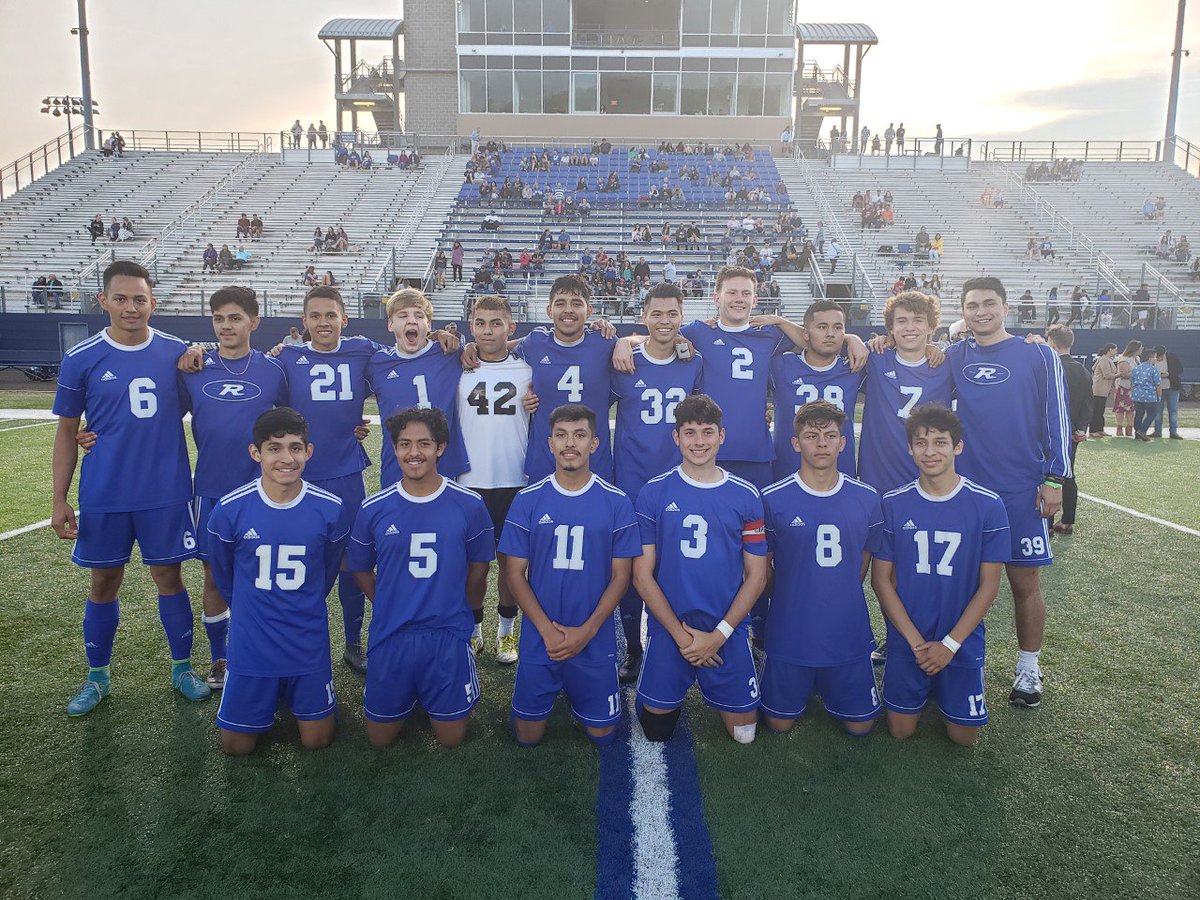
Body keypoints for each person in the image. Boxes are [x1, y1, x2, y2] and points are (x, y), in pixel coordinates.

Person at [51, 260, 210, 716]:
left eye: (139, 299)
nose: (130, 307)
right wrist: (59, 498)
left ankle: (182, 668)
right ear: (103, 301)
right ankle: (97, 676)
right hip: (106, 491)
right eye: (120, 298)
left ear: (152, 303)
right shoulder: (81, 358)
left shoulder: (178, 352)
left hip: (165, 489)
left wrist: (197, 349)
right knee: (104, 580)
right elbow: (66, 433)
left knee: (169, 578)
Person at [944, 277, 1072, 708]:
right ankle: (950, 655)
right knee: (953, 580)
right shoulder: (952, 356)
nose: (981, 312)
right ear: (962, 312)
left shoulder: (1038, 353)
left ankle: (1029, 668)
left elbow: (1058, 417)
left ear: (1005, 307)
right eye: (972, 306)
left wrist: (1056, 479)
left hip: (1021, 489)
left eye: (989, 304)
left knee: (1023, 582)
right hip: (963, 491)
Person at [348, 407, 494, 748]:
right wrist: (386, 601)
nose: (414, 453)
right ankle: (410, 693)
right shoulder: (375, 508)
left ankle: (428, 691)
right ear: (394, 449)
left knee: (451, 739)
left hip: (446, 634)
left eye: (424, 444)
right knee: (379, 739)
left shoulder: (468, 504)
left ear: (440, 448)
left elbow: (479, 569)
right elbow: (359, 568)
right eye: (404, 444)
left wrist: (463, 613)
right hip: (392, 633)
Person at [499, 405, 641, 747]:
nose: (570, 443)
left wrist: (586, 631)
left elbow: (621, 577)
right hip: (540, 637)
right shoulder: (528, 500)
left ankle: (581, 692)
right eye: (561, 435)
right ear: (550, 444)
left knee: (603, 735)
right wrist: (547, 630)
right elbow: (514, 573)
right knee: (527, 737)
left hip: (593, 638)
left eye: (579, 435)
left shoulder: (616, 502)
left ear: (594, 443)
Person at [207, 408, 346, 754]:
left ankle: (291, 694)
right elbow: (224, 577)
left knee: (318, 740)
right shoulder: (230, 509)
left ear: (308, 451)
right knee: (236, 747)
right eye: (274, 448)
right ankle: (267, 694)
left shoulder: (330, 508)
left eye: (295, 447)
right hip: (252, 643)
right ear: (256, 453)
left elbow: (327, 572)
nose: (287, 458)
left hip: (306, 641)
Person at [633, 395, 769, 743]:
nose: (699, 442)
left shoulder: (745, 494)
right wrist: (683, 638)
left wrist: (718, 636)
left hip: (726, 626)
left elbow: (757, 576)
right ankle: (663, 682)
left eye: (707, 432)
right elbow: (642, 575)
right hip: (671, 627)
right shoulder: (653, 493)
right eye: (690, 433)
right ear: (676, 437)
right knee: (655, 732)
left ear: (722, 436)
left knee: (745, 734)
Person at [872, 404, 1009, 746]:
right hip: (909, 638)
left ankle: (947, 681)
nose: (930, 451)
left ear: (957, 446)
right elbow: (881, 581)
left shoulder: (987, 505)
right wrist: (916, 644)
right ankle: (923, 679)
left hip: (960, 639)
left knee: (964, 738)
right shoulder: (894, 503)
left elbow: (989, 585)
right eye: (921, 442)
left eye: (940, 442)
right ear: (910, 448)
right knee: (900, 731)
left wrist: (949, 645)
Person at [275, 287, 386, 673]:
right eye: (316, 316)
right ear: (303, 322)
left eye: (331, 315)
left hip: (345, 472)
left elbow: (407, 353)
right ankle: (298, 637)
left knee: (351, 560)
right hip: (299, 476)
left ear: (344, 319)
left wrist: (443, 336)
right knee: (300, 559)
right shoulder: (286, 356)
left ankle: (353, 641)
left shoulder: (363, 350)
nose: (324, 323)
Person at [760, 400, 884, 736]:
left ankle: (828, 679)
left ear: (843, 443)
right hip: (791, 630)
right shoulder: (772, 498)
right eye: (812, 436)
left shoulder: (868, 498)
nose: (822, 443)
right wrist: (791, 591)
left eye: (830, 436)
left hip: (846, 630)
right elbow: (764, 570)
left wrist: (834, 588)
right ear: (795, 443)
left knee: (861, 727)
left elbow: (862, 565)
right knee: (778, 723)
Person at [610, 283, 704, 681]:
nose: (664, 322)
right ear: (643, 316)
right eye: (657, 314)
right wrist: (619, 341)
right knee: (632, 572)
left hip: (678, 483)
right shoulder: (622, 361)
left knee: (677, 567)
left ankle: (676, 639)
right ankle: (633, 646)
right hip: (631, 482)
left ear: (681, 319)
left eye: (672, 315)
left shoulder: (694, 362)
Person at [456, 296, 534, 665]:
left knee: (511, 565)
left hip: (515, 480)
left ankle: (506, 634)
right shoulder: (457, 365)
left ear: (510, 327)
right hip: (469, 482)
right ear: (471, 326)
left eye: (496, 323)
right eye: (481, 323)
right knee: (475, 567)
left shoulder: (527, 369)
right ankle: (474, 632)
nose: (488, 330)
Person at [367, 289, 466, 495]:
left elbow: (494, 351)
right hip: (396, 466)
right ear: (390, 324)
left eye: (419, 316)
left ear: (428, 325)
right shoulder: (377, 362)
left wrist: (469, 345)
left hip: (444, 466)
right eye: (403, 315)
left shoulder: (450, 352)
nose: (411, 321)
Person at [859, 291, 954, 495]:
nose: (910, 327)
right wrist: (851, 338)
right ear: (891, 328)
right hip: (879, 480)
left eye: (918, 320)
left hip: (931, 480)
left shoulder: (947, 365)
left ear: (931, 327)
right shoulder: (875, 358)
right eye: (901, 321)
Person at [768, 300, 866, 481]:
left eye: (838, 328)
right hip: (787, 476)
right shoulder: (781, 366)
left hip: (840, 478)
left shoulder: (854, 368)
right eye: (822, 327)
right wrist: (779, 321)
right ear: (805, 333)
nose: (830, 333)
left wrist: (853, 338)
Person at [1045, 326, 1092, 535]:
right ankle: (1067, 521)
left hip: (1050, 432)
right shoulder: (1082, 369)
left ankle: (1046, 524)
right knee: (1068, 473)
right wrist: (1080, 428)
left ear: (1052, 341)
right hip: (1072, 433)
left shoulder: (1050, 366)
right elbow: (1088, 403)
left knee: (1046, 475)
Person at [1150, 345, 1183, 439]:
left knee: (1173, 410)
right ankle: (1157, 431)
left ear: (1165, 353)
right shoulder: (1152, 360)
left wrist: (1168, 375)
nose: (1159, 358)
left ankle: (1173, 432)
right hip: (1158, 389)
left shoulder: (1173, 357)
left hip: (1172, 388)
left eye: (1161, 356)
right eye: (1157, 356)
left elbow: (1180, 370)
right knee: (1158, 411)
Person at [1130, 348, 1162, 441]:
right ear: (1150, 358)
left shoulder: (1136, 368)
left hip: (1137, 395)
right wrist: (1159, 395)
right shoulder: (1153, 369)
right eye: (1155, 357)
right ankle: (1142, 431)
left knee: (1139, 414)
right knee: (1152, 414)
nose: (1156, 359)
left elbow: (1132, 382)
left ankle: (1137, 433)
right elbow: (1158, 384)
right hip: (1150, 396)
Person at [1088, 343, 1118, 437]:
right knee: (1097, 410)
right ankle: (1093, 430)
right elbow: (1107, 375)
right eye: (1115, 350)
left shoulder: (1106, 359)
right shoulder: (1104, 360)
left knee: (1100, 410)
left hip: (1103, 389)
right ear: (1110, 350)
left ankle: (1100, 429)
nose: (1116, 352)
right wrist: (1119, 375)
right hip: (1099, 389)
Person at [1112, 340, 1141, 437]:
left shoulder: (1137, 358)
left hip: (1134, 388)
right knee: (1121, 408)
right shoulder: (1124, 359)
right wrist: (1137, 374)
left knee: (1131, 408)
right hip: (1123, 387)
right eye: (1140, 348)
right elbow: (1124, 374)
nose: (1142, 349)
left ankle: (1129, 427)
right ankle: (1119, 427)